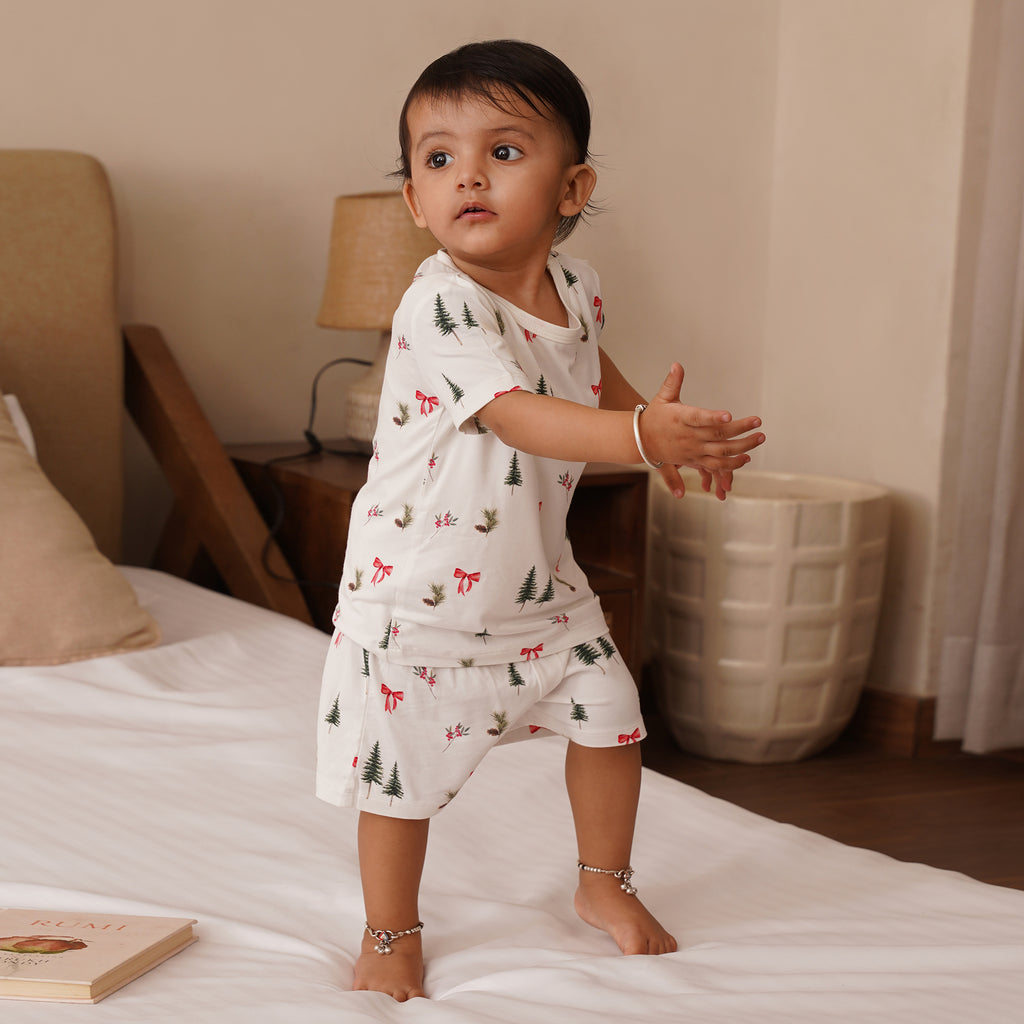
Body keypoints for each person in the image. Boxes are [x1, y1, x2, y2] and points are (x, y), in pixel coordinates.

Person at [315, 39, 765, 1001]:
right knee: (403, 778)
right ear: (414, 201)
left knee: (613, 720)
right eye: (437, 159)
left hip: (537, 584)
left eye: (504, 152)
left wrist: (668, 432)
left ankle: (604, 883)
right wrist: (639, 436)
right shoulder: (439, 305)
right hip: (419, 593)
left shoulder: (581, 286)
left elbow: (590, 376)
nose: (467, 175)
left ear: (572, 188)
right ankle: (391, 929)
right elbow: (514, 410)